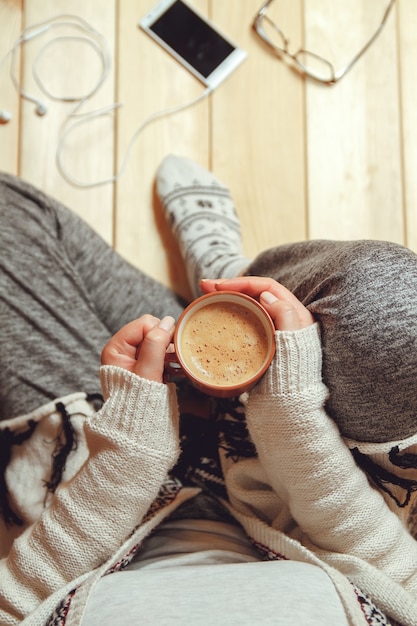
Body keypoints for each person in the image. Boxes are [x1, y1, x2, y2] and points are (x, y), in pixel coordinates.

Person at [1, 155, 417, 626]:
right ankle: (230, 276)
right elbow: (403, 579)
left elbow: (12, 603)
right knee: (390, 298)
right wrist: (292, 421)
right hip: (302, 492)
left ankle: (218, 305)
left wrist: (123, 458)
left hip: (89, 495)